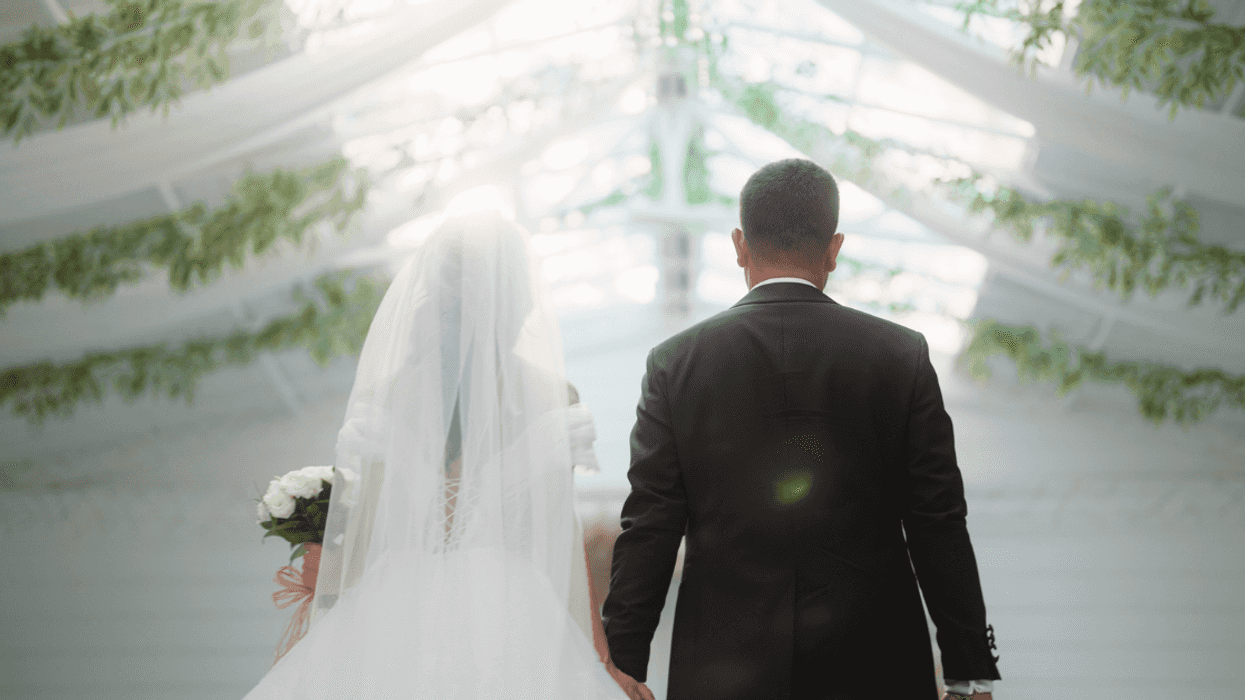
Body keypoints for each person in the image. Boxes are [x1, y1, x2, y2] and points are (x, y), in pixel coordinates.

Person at [602, 159, 1002, 700]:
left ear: (740, 246)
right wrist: (968, 665)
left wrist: (624, 656)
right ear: (834, 250)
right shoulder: (900, 356)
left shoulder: (675, 364)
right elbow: (938, 520)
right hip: (877, 666)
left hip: (722, 670)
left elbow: (650, 521)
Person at [242, 212, 633, 699]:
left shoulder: (387, 397)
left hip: (395, 609)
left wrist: (327, 597)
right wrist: (602, 661)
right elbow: (561, 543)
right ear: (521, 299)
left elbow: (363, 541)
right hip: (512, 615)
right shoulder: (552, 396)